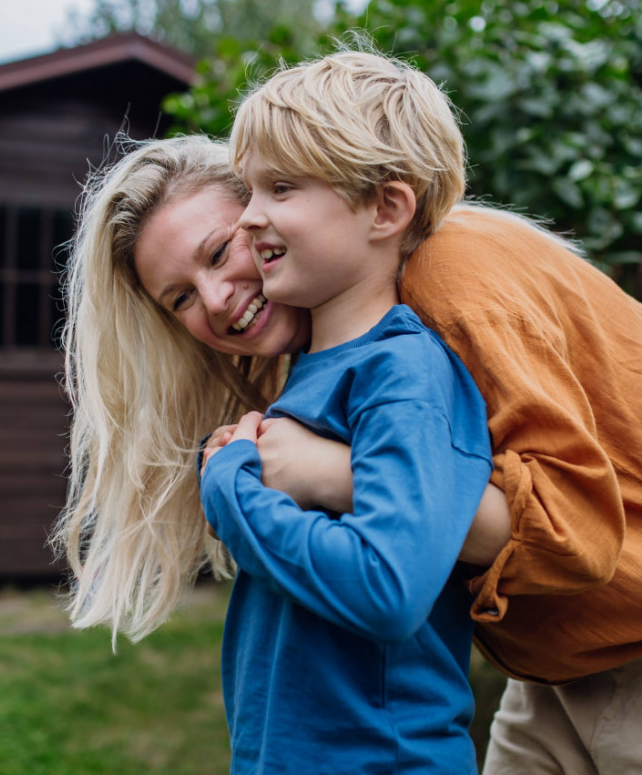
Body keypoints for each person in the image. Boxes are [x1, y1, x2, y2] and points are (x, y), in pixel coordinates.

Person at [54, 48, 642, 773]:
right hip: (568, 659)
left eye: (221, 248)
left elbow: (567, 532)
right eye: (179, 298)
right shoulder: (323, 345)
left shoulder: (443, 283)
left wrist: (316, 476)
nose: (218, 298)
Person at [193, 49, 496, 772]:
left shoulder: (404, 370)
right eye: (249, 189)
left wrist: (231, 491)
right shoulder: (319, 369)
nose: (250, 218)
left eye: (282, 188)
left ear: (386, 209)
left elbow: (387, 586)